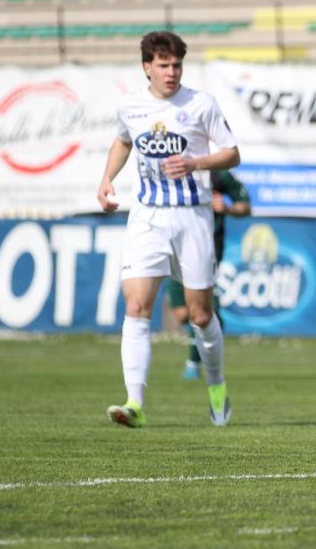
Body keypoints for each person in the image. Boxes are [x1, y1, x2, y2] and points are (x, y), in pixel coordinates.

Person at [97, 30, 240, 429]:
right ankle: (134, 403)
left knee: (200, 314)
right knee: (136, 307)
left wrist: (195, 164)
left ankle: (216, 387)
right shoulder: (131, 107)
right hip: (147, 217)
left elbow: (233, 153)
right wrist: (107, 178)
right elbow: (123, 141)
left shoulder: (200, 104)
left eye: (177, 64)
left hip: (192, 217)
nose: (172, 71)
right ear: (147, 67)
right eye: (163, 64)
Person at [169, 169, 251, 380]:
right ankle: (215, 324)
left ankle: (194, 364)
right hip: (174, 245)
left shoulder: (218, 175)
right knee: (181, 312)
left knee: (200, 310)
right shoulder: (171, 169)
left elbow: (245, 206)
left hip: (207, 248)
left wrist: (228, 208)